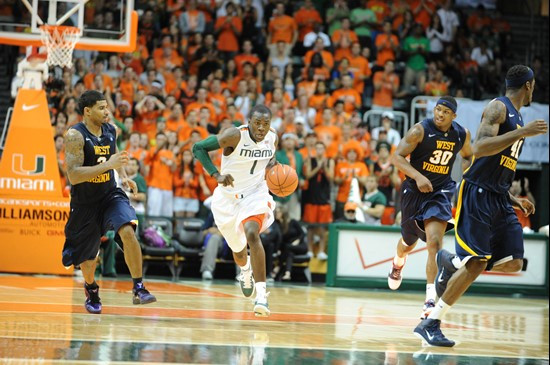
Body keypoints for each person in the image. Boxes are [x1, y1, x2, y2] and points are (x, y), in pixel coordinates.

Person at [414, 65, 548, 347]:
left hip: (498, 195)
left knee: (513, 263)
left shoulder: (518, 115)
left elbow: (498, 163)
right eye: (533, 85)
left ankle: (451, 262)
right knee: (477, 263)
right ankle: (431, 323)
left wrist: (513, 198)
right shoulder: (498, 107)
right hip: (476, 193)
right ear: (529, 85)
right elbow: (480, 148)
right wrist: (522, 132)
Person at [62, 90, 156, 314]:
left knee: (128, 230)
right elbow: (73, 175)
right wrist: (109, 165)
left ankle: (139, 287)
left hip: (110, 194)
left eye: (107, 107)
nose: (107, 111)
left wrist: (123, 177)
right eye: (102, 108)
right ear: (87, 111)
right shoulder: (75, 135)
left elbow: (114, 157)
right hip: (85, 202)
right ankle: (91, 288)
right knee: (87, 258)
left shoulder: (110, 130)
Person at [387, 96, 473, 320]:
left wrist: (460, 176)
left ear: (453, 116)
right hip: (414, 191)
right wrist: (418, 177)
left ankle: (429, 301)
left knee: (434, 243)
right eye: (437, 109)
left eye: (445, 111)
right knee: (407, 243)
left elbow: (468, 156)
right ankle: (397, 263)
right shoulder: (419, 130)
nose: (440, 114)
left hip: (440, 192)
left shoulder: (461, 134)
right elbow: (396, 158)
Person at [192, 104, 278, 316]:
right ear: (249, 122)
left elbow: (270, 158)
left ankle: (261, 296)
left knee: (251, 232)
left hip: (255, 194)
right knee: (239, 253)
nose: (261, 128)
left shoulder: (273, 136)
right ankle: (245, 269)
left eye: (265, 124)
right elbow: (197, 148)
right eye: (257, 123)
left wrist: (276, 170)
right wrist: (216, 175)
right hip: (226, 199)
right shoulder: (234, 136)